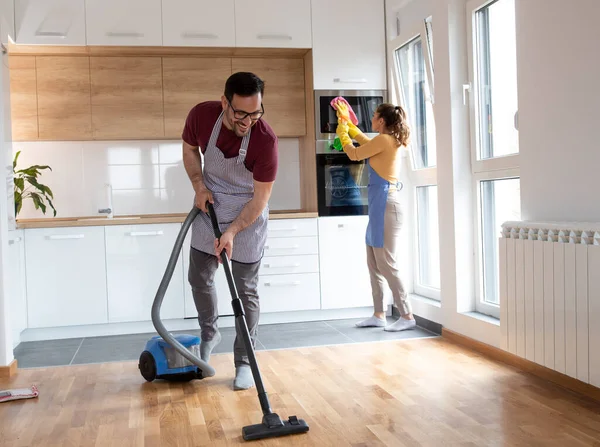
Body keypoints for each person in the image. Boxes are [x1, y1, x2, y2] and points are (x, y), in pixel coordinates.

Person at [181, 72, 278, 390]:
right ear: (225, 102)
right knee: (199, 276)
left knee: (244, 291)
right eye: (240, 113)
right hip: (209, 202)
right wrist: (198, 185)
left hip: (247, 212)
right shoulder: (201, 115)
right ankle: (209, 332)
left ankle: (245, 361)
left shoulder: (265, 139)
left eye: (256, 112)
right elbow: (189, 149)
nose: (248, 121)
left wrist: (233, 231)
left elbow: (261, 198)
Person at [333, 100, 416, 332]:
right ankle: (379, 314)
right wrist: (348, 124)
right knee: (374, 263)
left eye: (374, 116)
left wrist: (342, 132)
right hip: (379, 207)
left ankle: (407, 315)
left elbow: (355, 153)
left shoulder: (384, 140)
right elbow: (365, 140)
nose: (371, 119)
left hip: (386, 207)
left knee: (387, 264)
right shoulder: (385, 141)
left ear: (381, 120)